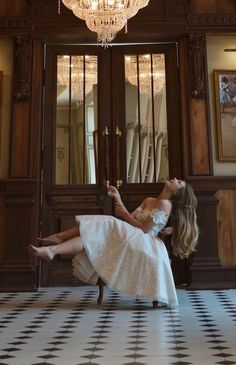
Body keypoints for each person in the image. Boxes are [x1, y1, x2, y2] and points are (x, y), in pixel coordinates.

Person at [28, 178, 199, 307]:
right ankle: (53, 248)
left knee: (106, 222)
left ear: (177, 193)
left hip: (144, 243)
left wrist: (123, 212)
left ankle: (58, 239)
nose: (175, 179)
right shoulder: (149, 200)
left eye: (179, 182)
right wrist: (118, 198)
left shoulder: (165, 204)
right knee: (94, 233)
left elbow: (144, 229)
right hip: (131, 235)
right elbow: (129, 220)